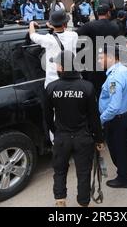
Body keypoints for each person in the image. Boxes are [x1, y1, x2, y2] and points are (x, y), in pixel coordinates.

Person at [44, 50, 104, 208]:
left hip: (62, 137)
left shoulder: (51, 88)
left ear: (63, 67)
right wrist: (99, 139)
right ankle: (83, 203)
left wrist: (55, 132)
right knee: (83, 173)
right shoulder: (87, 87)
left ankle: (60, 201)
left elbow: (47, 117)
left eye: (57, 64)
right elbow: (94, 117)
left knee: (60, 171)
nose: (56, 67)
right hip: (83, 137)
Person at [98, 45, 127, 189]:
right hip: (125, 115)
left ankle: (123, 178)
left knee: (118, 149)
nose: (99, 60)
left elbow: (114, 106)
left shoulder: (114, 78)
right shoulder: (124, 69)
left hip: (116, 119)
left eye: (101, 57)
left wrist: (101, 120)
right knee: (126, 146)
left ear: (111, 58)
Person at [77, 4, 120, 97]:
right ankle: (112, 106)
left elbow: (76, 38)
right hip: (110, 67)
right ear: (108, 13)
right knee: (112, 90)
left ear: (97, 13)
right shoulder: (115, 27)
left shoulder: (89, 26)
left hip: (94, 66)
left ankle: (98, 108)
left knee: (96, 92)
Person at [29, 10, 78, 89]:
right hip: (71, 82)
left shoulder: (48, 39)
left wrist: (31, 23)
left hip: (53, 83)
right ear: (65, 24)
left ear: (52, 24)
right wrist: (54, 26)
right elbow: (64, 31)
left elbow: (32, 35)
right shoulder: (74, 36)